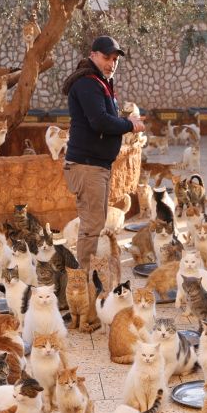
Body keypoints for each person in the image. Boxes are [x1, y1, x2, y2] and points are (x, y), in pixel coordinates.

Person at [60, 35, 145, 281]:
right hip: (87, 166)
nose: (112, 63)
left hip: (96, 165)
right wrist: (129, 124)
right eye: (107, 57)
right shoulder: (88, 83)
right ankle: (82, 281)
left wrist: (127, 123)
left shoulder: (100, 82)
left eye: (115, 59)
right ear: (93, 55)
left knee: (93, 224)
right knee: (91, 227)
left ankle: (84, 278)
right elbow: (99, 121)